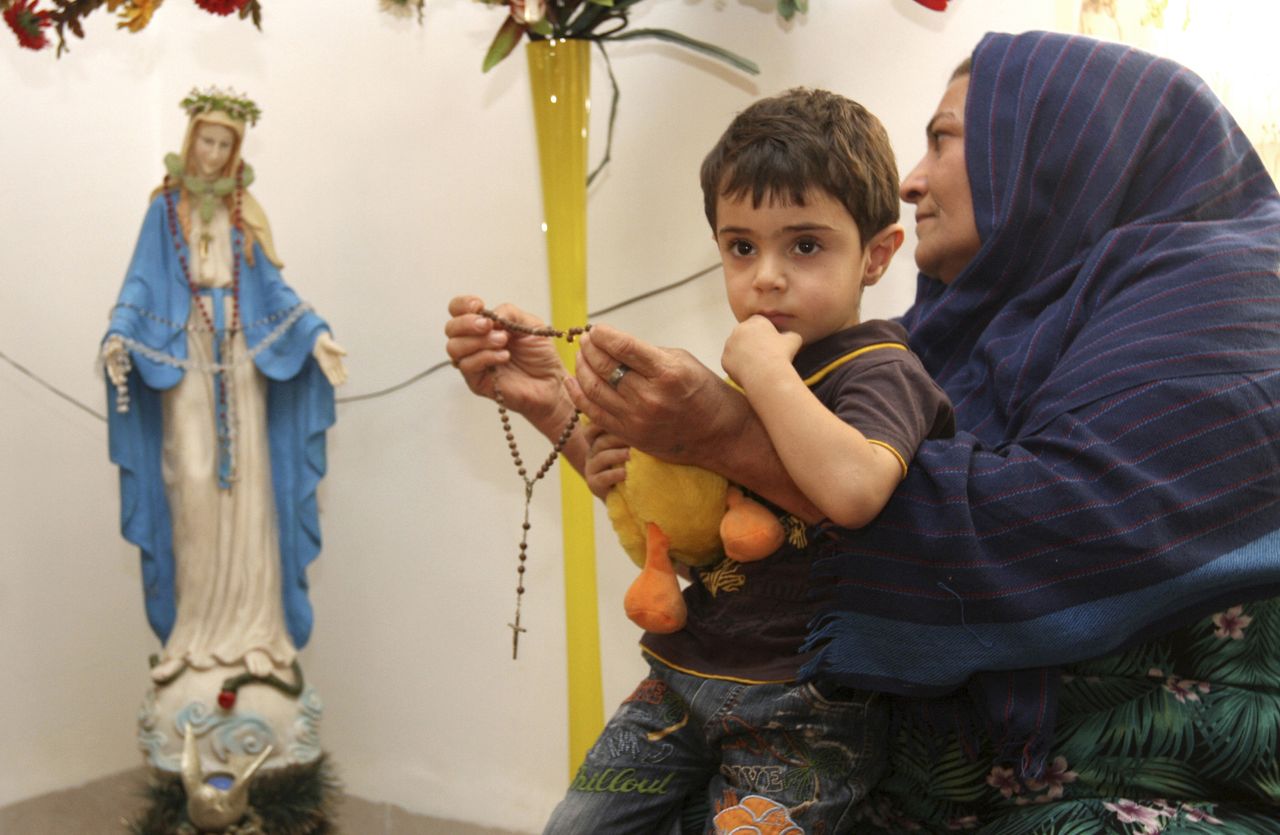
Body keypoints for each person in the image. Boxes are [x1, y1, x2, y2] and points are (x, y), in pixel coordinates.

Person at [450, 30, 1280, 833]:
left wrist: (728, 429)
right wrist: (564, 406)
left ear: (1064, 144)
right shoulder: (955, 329)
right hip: (784, 713)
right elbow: (723, 527)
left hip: (1101, 779)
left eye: (945, 139)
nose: (914, 182)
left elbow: (1030, 524)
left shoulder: (1225, 302)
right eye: (740, 244)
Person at [450, 88, 954, 832]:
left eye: (805, 245)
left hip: (809, 710)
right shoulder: (734, 382)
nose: (766, 277)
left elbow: (853, 490)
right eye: (741, 246)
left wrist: (765, 370)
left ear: (877, 254)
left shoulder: (880, 369)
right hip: (683, 676)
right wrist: (552, 403)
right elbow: (683, 525)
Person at [103, 87, 347, 684]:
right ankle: (192, 634)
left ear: (236, 150)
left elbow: (275, 289)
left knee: (249, 488)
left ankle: (257, 632)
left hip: (240, 354)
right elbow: (139, 283)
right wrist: (118, 334)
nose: (212, 154)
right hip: (183, 350)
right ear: (190, 142)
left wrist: (315, 336)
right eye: (205, 141)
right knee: (190, 482)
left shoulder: (246, 210)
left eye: (223, 145)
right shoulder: (163, 209)